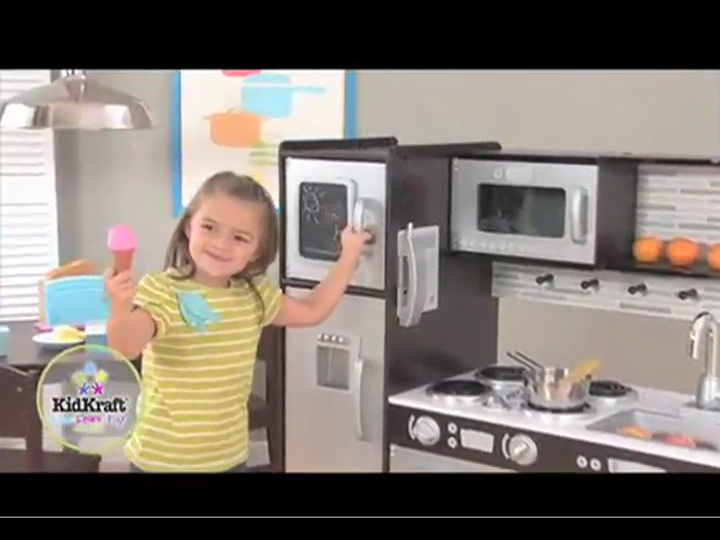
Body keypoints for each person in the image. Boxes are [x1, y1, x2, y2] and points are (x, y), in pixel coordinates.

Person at [105, 171, 371, 473]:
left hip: (228, 460)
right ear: (189, 227)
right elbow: (125, 346)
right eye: (209, 227)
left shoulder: (255, 295)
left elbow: (312, 310)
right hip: (160, 461)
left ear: (256, 250)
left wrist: (348, 258)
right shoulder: (162, 291)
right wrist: (120, 308)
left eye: (240, 237)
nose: (221, 244)